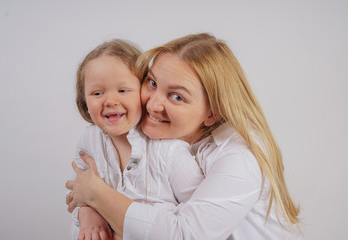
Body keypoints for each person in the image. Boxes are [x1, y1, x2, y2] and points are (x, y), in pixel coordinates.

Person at [66, 33, 305, 239]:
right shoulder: (151, 142)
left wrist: (96, 194)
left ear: (212, 114)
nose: (153, 104)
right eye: (151, 82)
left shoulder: (240, 159)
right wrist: (88, 208)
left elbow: (184, 235)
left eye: (177, 97)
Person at [70, 39, 204, 240]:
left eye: (123, 90)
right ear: (84, 101)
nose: (111, 101)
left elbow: (197, 219)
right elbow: (77, 191)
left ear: (143, 92)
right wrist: (87, 212)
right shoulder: (89, 139)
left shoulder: (169, 151)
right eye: (97, 93)